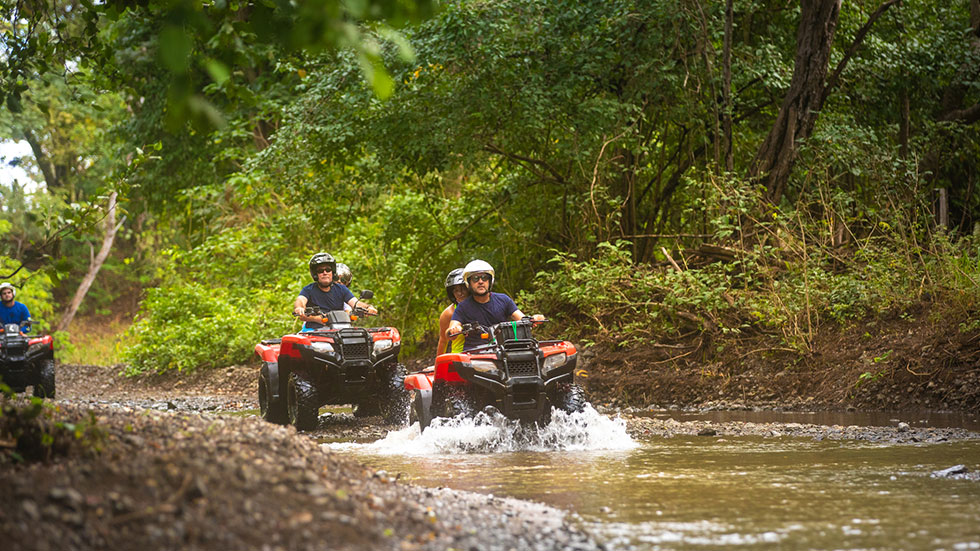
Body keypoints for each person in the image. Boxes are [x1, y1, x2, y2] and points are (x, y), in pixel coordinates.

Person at [447, 259, 542, 350]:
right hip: (475, 353)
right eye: (475, 278)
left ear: (490, 281)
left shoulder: (503, 299)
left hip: (504, 349)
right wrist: (454, 330)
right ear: (469, 283)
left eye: (484, 278)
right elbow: (451, 330)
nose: (480, 281)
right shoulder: (463, 307)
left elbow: (522, 319)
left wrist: (534, 319)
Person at [293, 253, 376, 331]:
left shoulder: (341, 289)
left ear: (333, 272)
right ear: (315, 274)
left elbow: (355, 303)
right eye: (320, 271)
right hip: (313, 331)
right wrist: (299, 308)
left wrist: (368, 308)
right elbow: (300, 300)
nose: (325, 273)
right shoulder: (308, 290)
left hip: (340, 330)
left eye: (328, 270)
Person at [436, 268, 469, 356]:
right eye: (456, 290)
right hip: (460, 356)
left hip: (484, 351)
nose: (460, 293)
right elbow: (443, 341)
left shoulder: (481, 304)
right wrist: (437, 365)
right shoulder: (448, 313)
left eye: (463, 289)